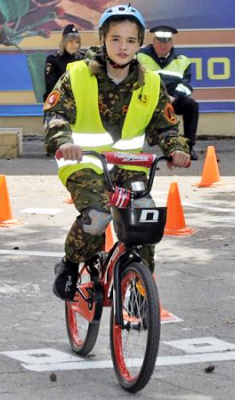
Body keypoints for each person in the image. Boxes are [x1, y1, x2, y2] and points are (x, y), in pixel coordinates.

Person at [42, 4, 192, 301]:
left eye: (131, 40)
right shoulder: (77, 75)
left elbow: (165, 126)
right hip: (84, 162)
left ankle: (139, 292)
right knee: (98, 216)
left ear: (139, 43)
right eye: (115, 39)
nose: (123, 47)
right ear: (102, 39)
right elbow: (55, 114)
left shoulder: (150, 82)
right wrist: (62, 141)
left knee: (145, 218)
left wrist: (176, 149)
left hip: (129, 166)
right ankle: (71, 264)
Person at [137, 25, 199, 160]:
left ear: (171, 43)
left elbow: (186, 85)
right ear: (153, 41)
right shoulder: (140, 56)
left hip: (172, 100)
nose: (163, 45)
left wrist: (174, 97)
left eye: (166, 41)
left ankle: (188, 148)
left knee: (191, 105)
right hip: (147, 100)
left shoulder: (182, 60)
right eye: (159, 40)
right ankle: (136, 150)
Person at [44, 24, 83, 102]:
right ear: (64, 42)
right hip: (59, 102)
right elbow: (51, 85)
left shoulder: (83, 59)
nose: (74, 45)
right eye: (70, 41)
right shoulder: (53, 59)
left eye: (77, 42)